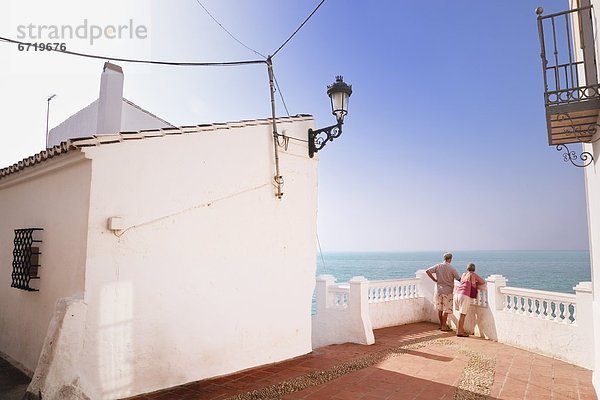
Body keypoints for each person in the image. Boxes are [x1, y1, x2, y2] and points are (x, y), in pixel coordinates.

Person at [426, 252, 460, 331]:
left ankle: (441, 325)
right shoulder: (452, 268)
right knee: (447, 309)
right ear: (450, 259)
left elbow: (427, 271)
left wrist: (434, 279)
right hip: (447, 291)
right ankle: (444, 326)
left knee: (440, 309)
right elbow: (459, 279)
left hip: (438, 291)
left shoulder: (438, 266)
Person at [454, 263, 486, 337]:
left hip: (457, 294)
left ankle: (460, 330)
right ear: (474, 269)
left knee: (461, 314)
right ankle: (459, 332)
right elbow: (483, 282)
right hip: (464, 295)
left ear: (467, 268)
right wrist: (475, 283)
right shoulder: (473, 275)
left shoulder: (463, 274)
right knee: (463, 315)